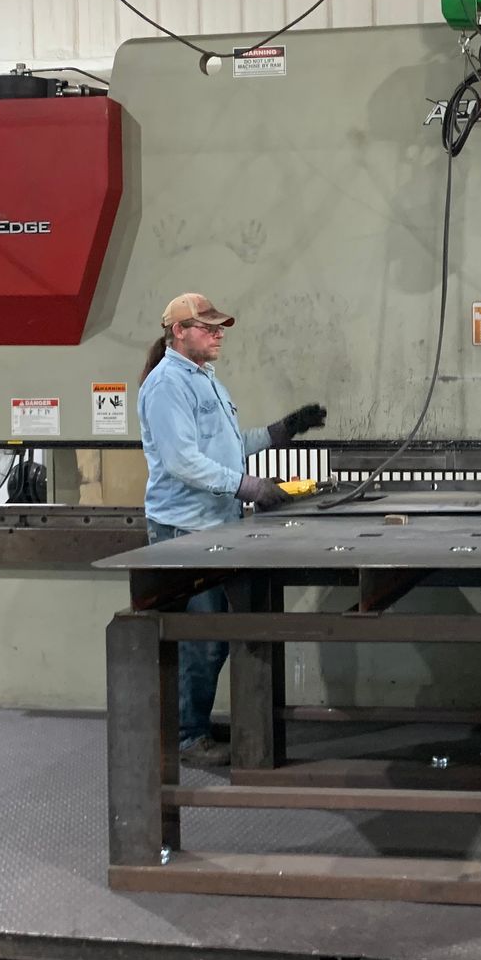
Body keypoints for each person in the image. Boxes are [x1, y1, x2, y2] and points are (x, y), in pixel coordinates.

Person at [138, 293, 327, 765]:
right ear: (178, 331)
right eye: (206, 327)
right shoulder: (167, 386)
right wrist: (248, 487)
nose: (217, 333)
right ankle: (186, 738)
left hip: (215, 524)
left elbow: (226, 445)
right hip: (185, 528)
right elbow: (183, 461)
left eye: (219, 327)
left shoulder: (205, 380)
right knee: (202, 640)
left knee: (216, 636)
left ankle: (195, 727)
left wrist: (279, 433)